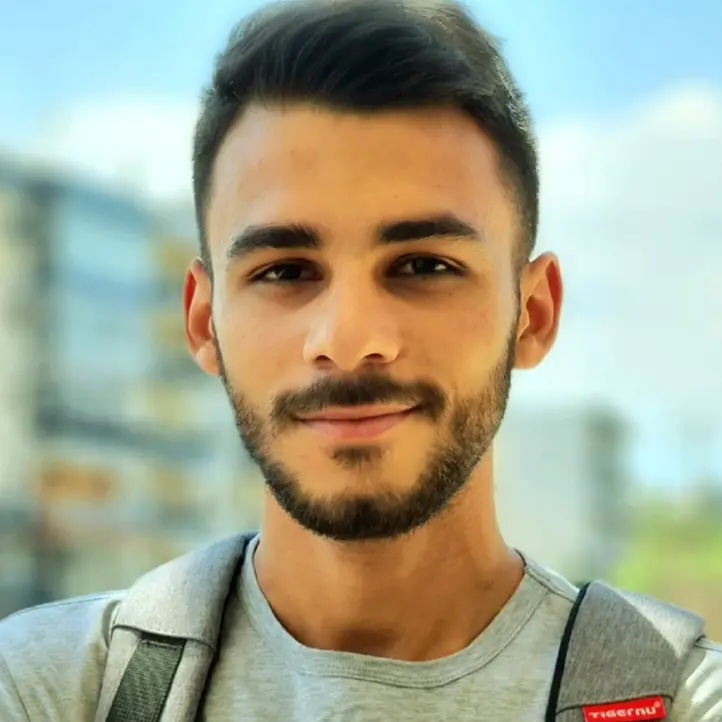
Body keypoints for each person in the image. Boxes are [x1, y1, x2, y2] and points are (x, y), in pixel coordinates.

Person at [1, 0, 721, 720]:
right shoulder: (48, 688)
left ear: (533, 313)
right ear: (203, 323)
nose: (348, 339)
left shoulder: (681, 701)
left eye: (423, 266)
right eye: (285, 271)